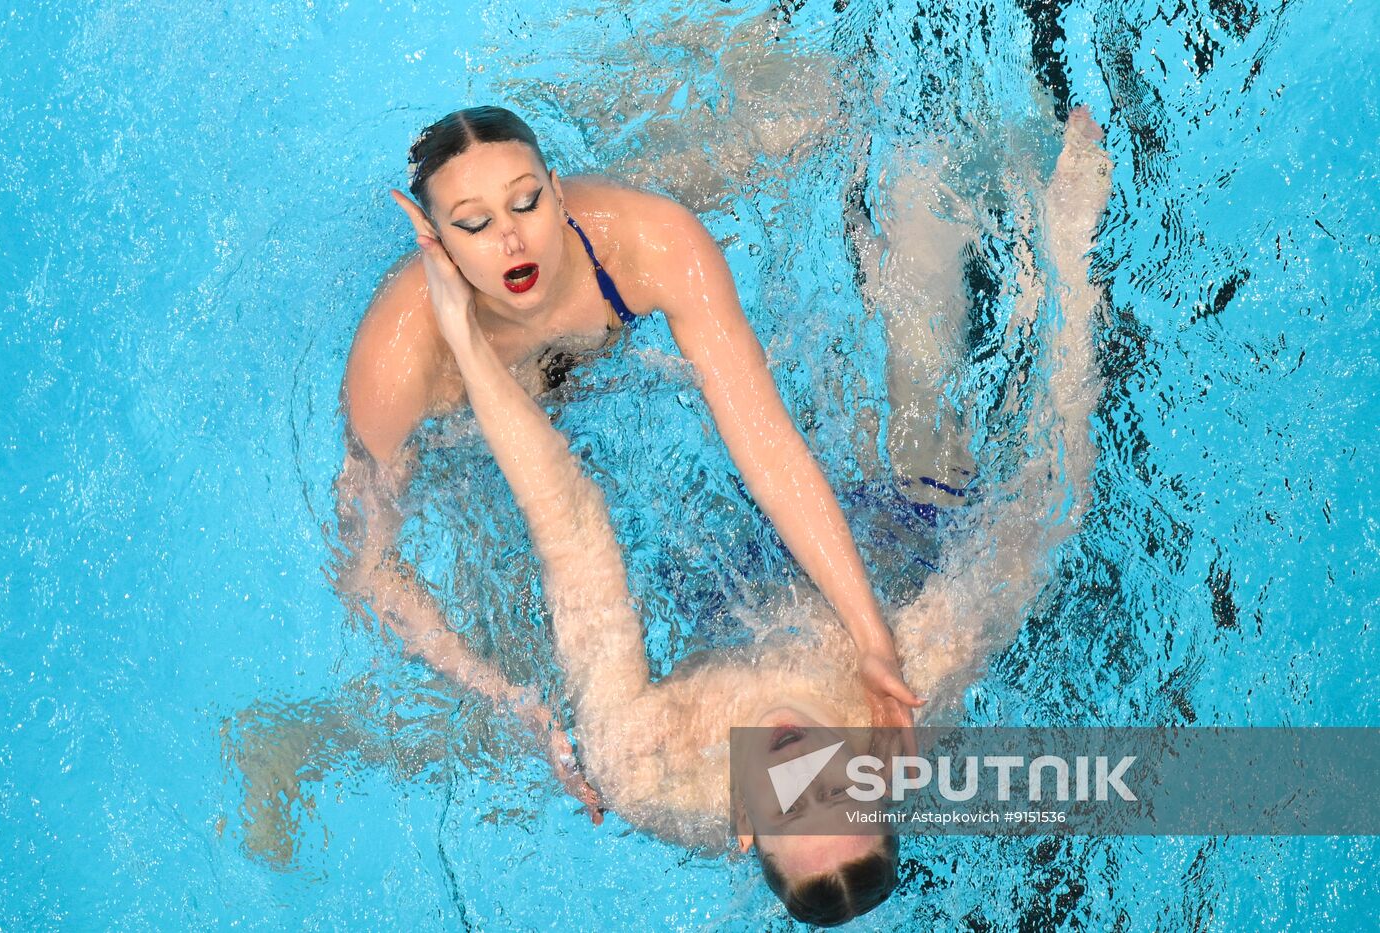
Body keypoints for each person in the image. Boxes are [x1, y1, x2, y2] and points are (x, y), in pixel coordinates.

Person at [385, 108, 1113, 925]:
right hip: (889, 537)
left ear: (743, 825)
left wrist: (465, 339)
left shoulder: (645, 764)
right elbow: (1053, 500)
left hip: (706, 594)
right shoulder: (905, 693)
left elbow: (572, 526)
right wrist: (1074, 256)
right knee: (924, 344)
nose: (798, 763)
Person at [334, 106, 923, 787]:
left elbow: (768, 444)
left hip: (592, 318)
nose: (511, 239)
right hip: (474, 444)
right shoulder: (400, 360)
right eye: (473, 223)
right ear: (435, 241)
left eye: (526, 203)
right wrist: (508, 702)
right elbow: (369, 568)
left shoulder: (648, 241)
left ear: (559, 192)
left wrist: (872, 637)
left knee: (802, 115)